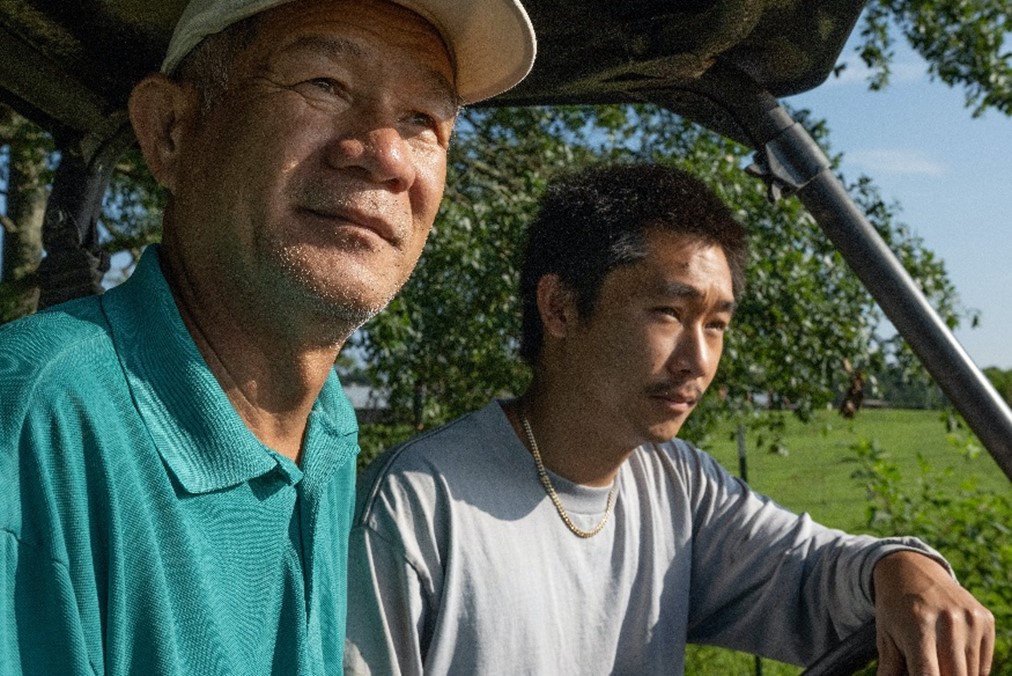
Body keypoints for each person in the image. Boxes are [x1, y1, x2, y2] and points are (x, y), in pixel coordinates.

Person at [0, 0, 535, 673]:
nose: (386, 156)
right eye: (325, 84)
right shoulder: (33, 423)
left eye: (423, 120)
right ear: (170, 130)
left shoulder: (327, 428)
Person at [345, 163, 995, 675]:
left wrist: (905, 569)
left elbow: (813, 576)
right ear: (562, 308)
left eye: (716, 325)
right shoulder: (415, 507)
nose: (698, 360)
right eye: (669, 313)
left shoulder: (678, 485)